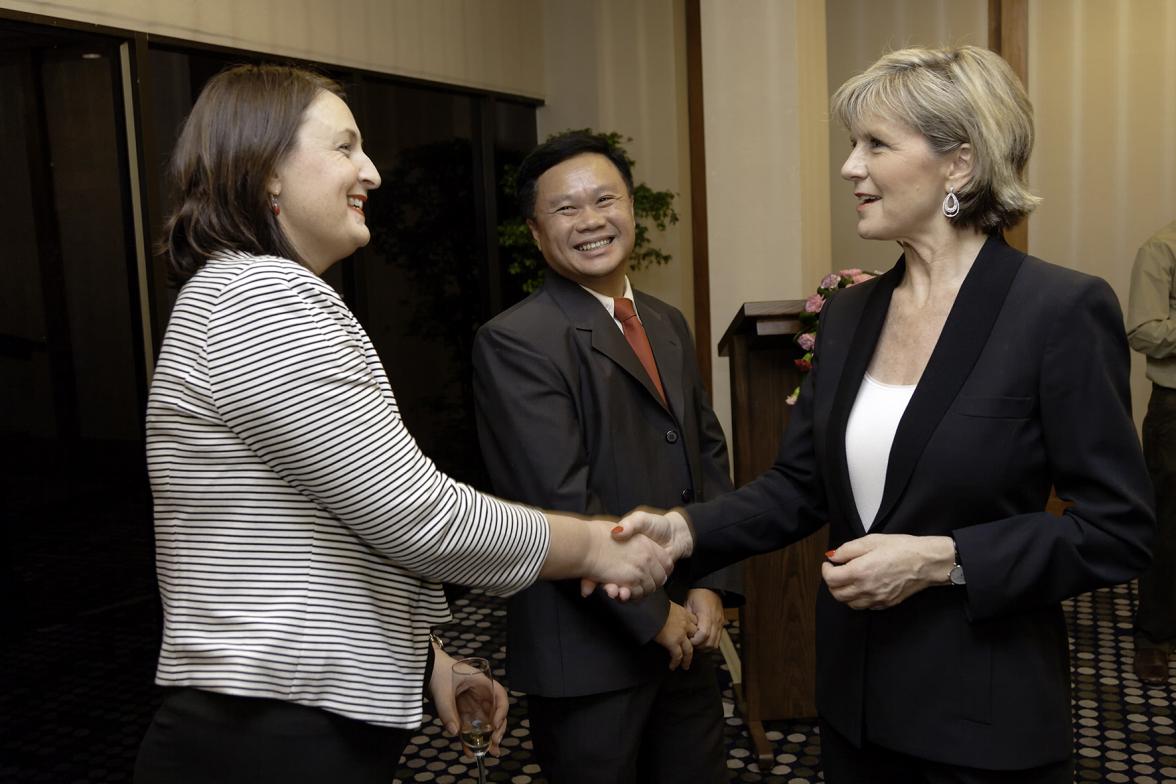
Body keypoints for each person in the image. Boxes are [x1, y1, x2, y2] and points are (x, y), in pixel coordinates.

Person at [616, 45, 1154, 783]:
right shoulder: (849, 314)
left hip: (982, 722)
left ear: (958, 164)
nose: (850, 168)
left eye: (875, 144)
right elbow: (799, 488)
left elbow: (1118, 531)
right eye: (851, 145)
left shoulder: (1058, 311)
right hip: (855, 710)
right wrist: (682, 531)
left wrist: (946, 560)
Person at [132, 64, 675, 784]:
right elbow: (417, 515)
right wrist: (596, 548)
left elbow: (321, 531)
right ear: (266, 171)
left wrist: (427, 662)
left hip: (278, 715)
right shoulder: (261, 299)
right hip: (267, 733)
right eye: (345, 147)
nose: (372, 172)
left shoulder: (245, 292)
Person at [471, 132, 742, 784]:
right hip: (590, 651)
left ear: (631, 209)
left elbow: (705, 454)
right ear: (538, 235)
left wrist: (710, 584)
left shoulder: (664, 320)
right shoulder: (515, 341)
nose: (590, 220)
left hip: (687, 632)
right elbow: (556, 498)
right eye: (566, 210)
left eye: (604, 199)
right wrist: (655, 616)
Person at [1127, 217, 1176, 685]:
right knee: (1168, 526)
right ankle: (1154, 637)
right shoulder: (1162, 248)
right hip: (1174, 411)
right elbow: (1143, 331)